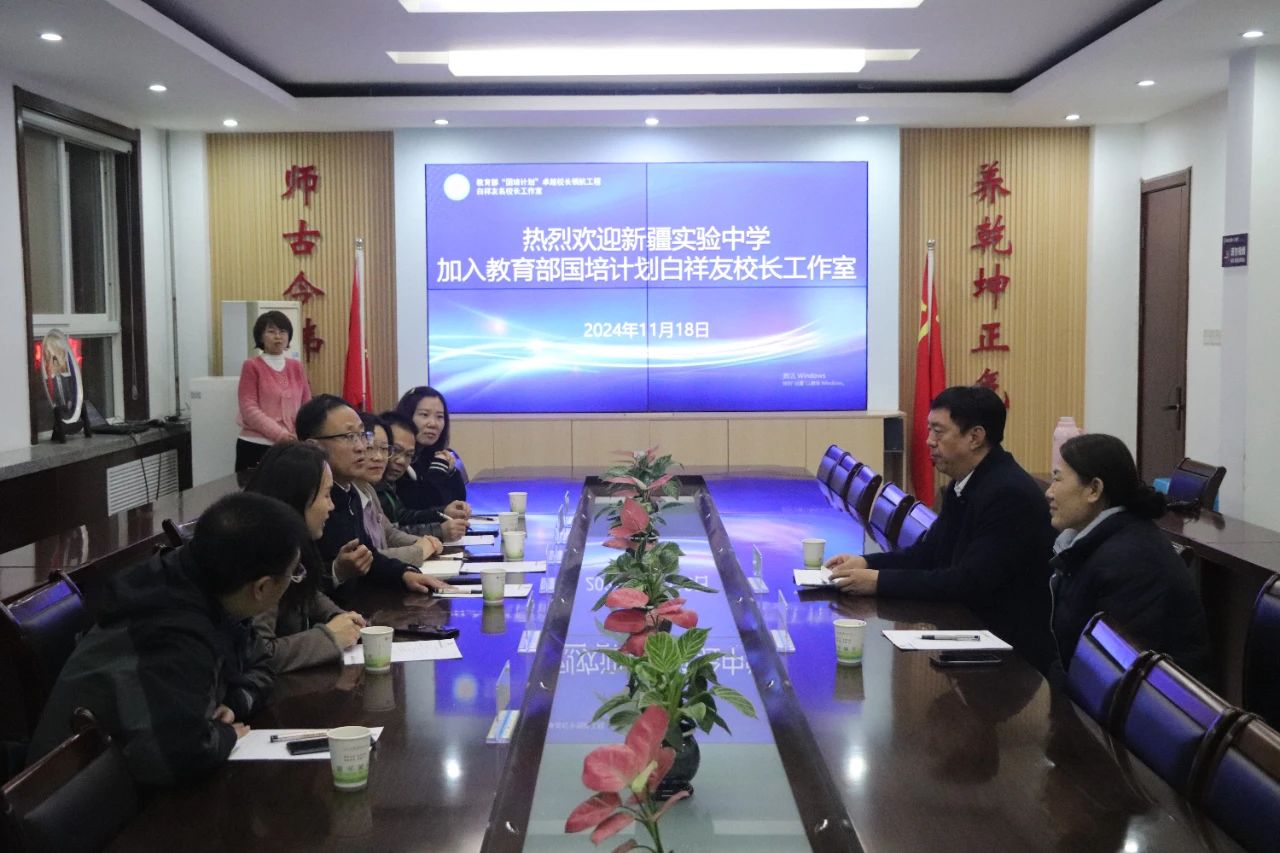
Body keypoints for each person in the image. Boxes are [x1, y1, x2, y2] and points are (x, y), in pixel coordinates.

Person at [28, 492, 307, 787]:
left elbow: (261, 662)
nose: (294, 580)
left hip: (120, 779)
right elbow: (179, 757)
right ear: (262, 588)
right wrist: (224, 736)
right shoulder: (173, 628)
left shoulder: (201, 582)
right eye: (294, 573)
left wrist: (235, 702)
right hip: (77, 797)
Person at [826, 385, 1058, 672]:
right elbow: (928, 553)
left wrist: (878, 581)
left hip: (1009, 656)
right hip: (969, 629)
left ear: (975, 437)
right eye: (929, 430)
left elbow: (968, 583)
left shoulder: (1008, 494)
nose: (928, 441)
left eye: (938, 432)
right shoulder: (967, 482)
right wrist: (866, 562)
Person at [1046, 433, 1212, 681]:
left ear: (1094, 489)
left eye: (1057, 479)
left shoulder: (1129, 562)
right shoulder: (1091, 543)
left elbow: (1113, 675)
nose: (1049, 492)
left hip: (1154, 701)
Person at [294, 394, 447, 600]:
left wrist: (403, 574)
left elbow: (369, 555)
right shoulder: (303, 498)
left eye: (361, 435)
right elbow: (301, 587)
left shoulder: (350, 491)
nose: (361, 447)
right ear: (314, 446)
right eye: (349, 437)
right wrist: (337, 573)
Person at [244, 443, 367, 672]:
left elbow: (305, 592)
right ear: (298, 496)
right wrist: (330, 637)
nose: (331, 506)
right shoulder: (259, 556)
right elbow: (259, 654)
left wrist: (341, 618)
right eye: (327, 495)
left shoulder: (291, 542)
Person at [356, 412, 445, 565]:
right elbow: (368, 559)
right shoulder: (345, 494)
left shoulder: (368, 489)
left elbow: (389, 533)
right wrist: (420, 549)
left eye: (384, 449)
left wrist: (426, 542)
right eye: (370, 448)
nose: (379, 457)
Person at [235, 310, 312, 472]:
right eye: (271, 331)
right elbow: (248, 408)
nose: (278, 336)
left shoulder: (296, 366)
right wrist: (279, 434)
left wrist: (300, 434)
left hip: (292, 445)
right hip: (256, 445)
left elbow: (307, 405)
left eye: (283, 331)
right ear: (260, 337)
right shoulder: (251, 366)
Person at [376, 410, 468, 542]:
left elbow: (403, 517)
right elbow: (387, 537)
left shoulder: (388, 483)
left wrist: (444, 512)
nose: (401, 461)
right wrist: (439, 531)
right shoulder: (371, 484)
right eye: (395, 450)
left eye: (409, 455)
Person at [393, 386, 470, 512]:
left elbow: (458, 504)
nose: (433, 424)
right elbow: (423, 506)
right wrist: (438, 469)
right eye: (424, 415)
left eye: (439, 416)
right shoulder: (396, 458)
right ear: (407, 416)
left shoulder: (438, 455)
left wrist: (451, 472)